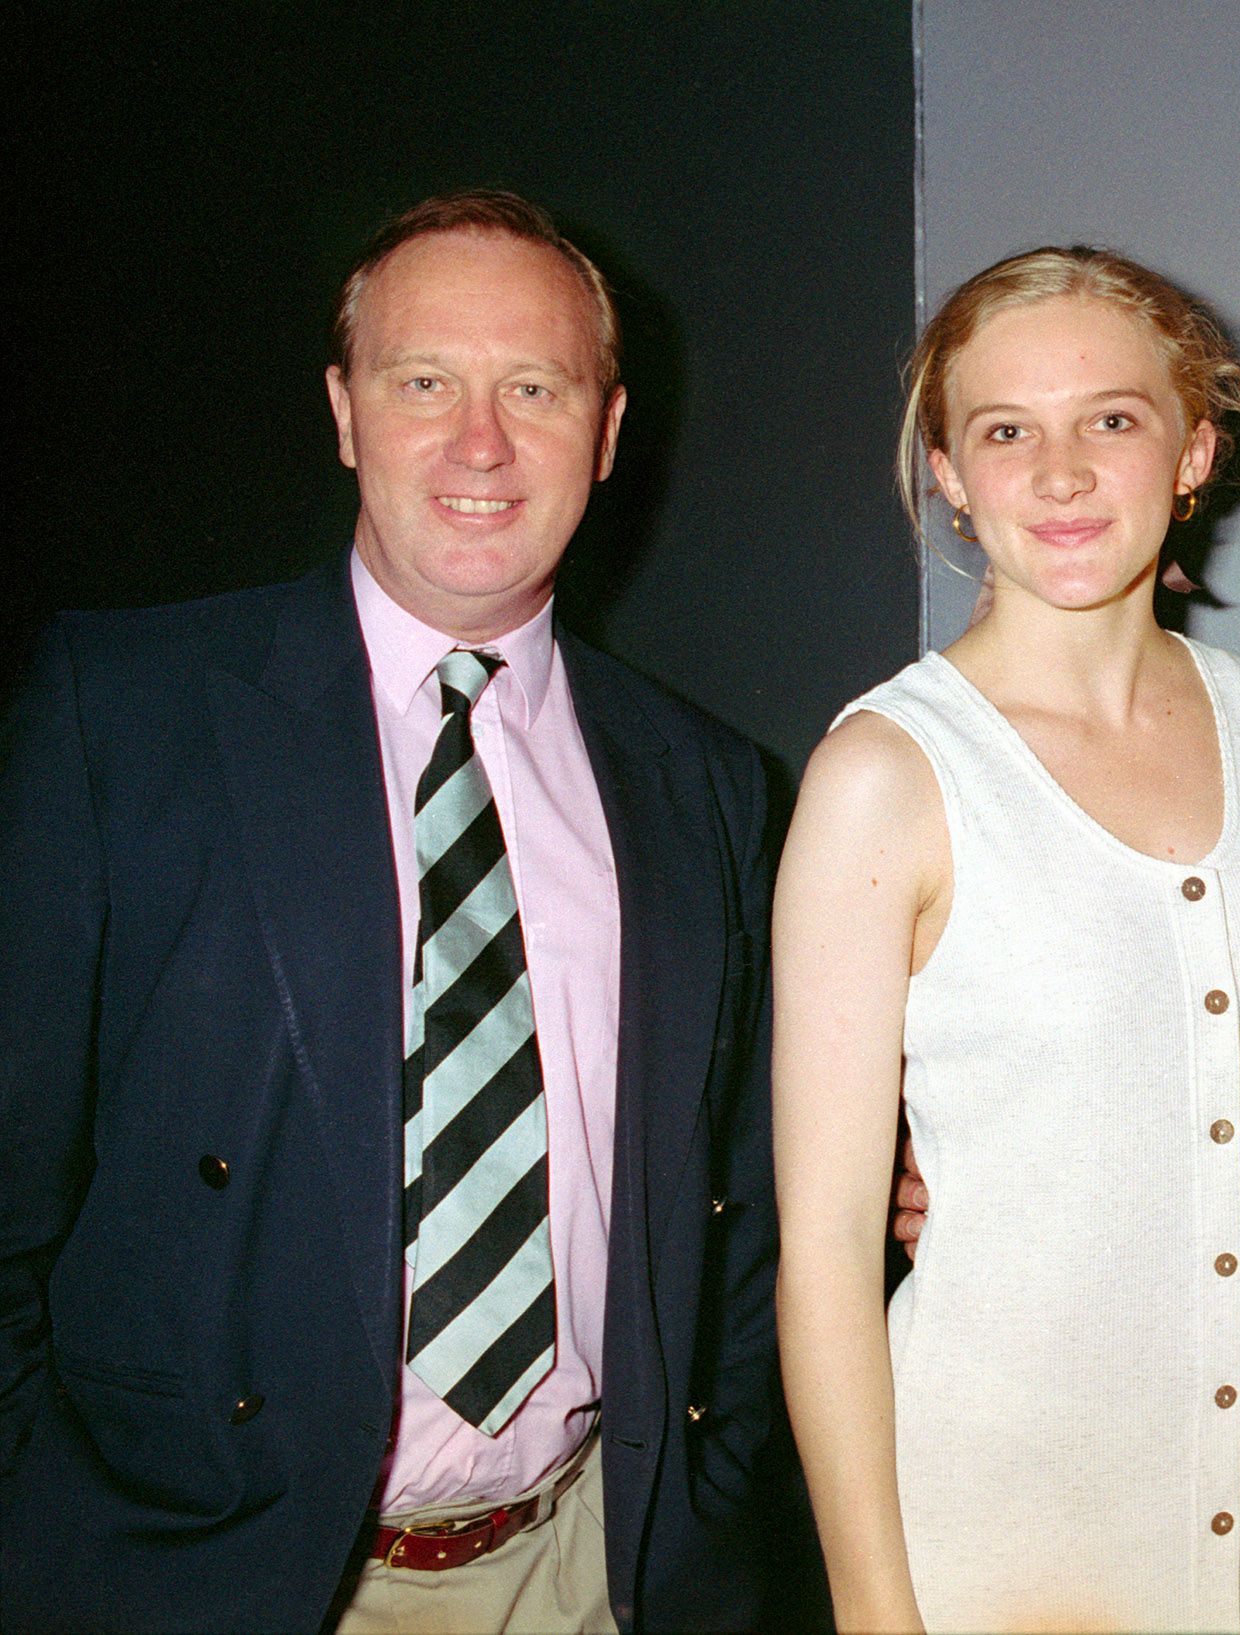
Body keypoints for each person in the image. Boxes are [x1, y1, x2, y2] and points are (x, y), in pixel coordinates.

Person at [0, 192, 780, 1633]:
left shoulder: (710, 783)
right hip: (207, 1584)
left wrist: (703, 1512)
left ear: (606, 436)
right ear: (346, 412)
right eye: (425, 382)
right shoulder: (125, 715)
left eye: (533, 389)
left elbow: (745, 1224)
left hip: (587, 1573)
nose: (479, 445)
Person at [774, 247, 1240, 1634]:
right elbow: (830, 1249)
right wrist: (873, 1609)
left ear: (1195, 449)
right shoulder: (886, 775)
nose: (1063, 472)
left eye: (1113, 419)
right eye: (1006, 432)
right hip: (997, 1550)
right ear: (953, 474)